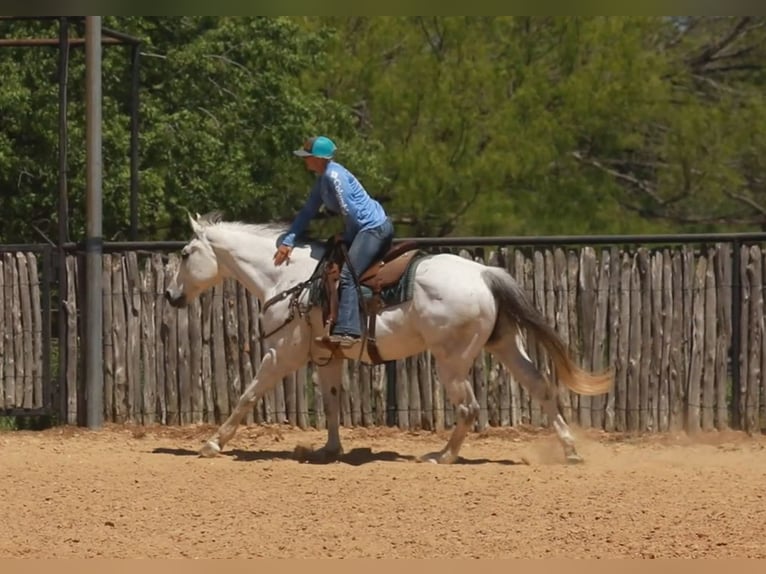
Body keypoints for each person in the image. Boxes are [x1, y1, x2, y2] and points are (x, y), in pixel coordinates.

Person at [273, 135, 394, 347]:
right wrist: (289, 240)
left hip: (372, 229)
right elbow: (308, 211)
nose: (305, 160)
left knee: (348, 275)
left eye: (308, 156)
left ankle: (349, 332)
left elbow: (352, 212)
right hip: (365, 227)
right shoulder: (323, 179)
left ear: (319, 158)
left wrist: (346, 237)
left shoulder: (333, 177)